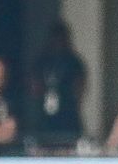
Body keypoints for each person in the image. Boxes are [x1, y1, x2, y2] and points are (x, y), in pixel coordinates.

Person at [28, 21, 87, 151]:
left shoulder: (74, 63)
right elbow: (34, 88)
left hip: (68, 117)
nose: (57, 42)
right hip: (45, 119)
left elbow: (80, 90)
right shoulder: (41, 61)